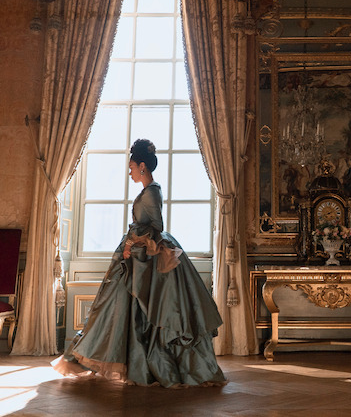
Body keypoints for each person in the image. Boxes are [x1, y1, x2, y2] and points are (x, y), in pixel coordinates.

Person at [52, 139, 226, 388]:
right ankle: (127, 363)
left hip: (147, 258)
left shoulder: (152, 192)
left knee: (146, 313)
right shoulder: (149, 190)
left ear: (142, 166)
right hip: (137, 257)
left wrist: (132, 240)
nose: (129, 171)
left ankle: (147, 366)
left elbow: (157, 228)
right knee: (121, 309)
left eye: (132, 166)